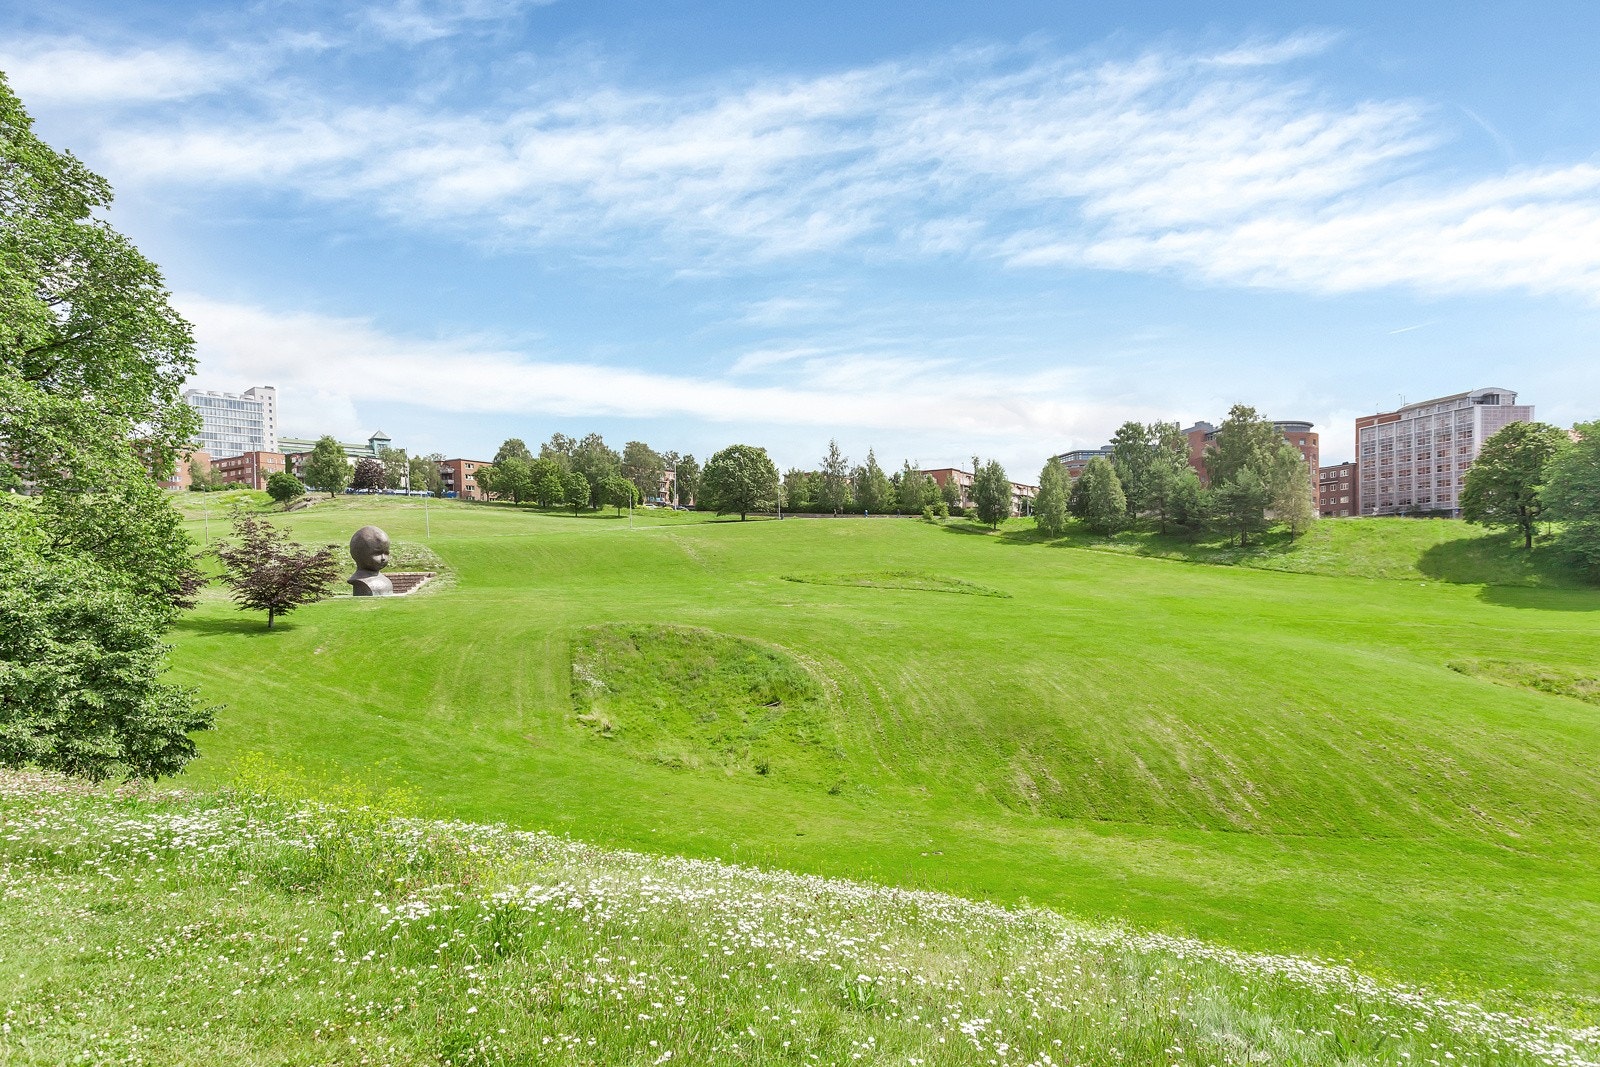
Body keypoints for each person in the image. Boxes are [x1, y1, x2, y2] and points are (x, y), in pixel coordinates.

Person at [347, 525, 394, 596]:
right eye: (377, 553)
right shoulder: (361, 582)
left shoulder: (386, 581)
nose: (383, 558)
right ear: (359, 554)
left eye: (386, 553)